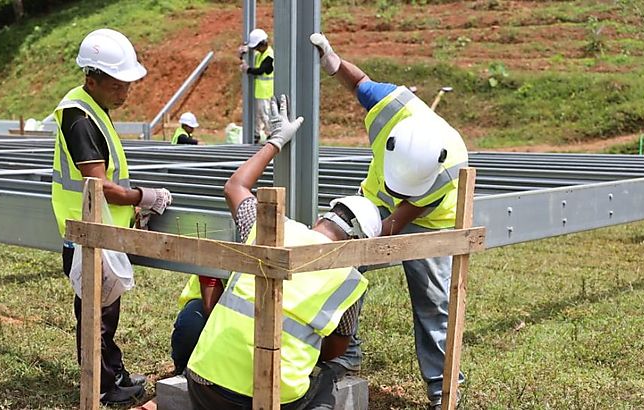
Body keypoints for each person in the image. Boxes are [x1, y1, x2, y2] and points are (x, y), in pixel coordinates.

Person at [185, 95, 383, 410]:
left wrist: (275, 141)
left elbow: (234, 187)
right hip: (268, 400)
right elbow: (334, 350)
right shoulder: (350, 280)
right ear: (357, 247)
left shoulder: (270, 229)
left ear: (322, 218)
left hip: (203, 384)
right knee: (327, 380)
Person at [310, 33, 469, 410]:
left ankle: (443, 391)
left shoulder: (448, 168)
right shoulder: (391, 108)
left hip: (431, 223)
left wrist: (360, 241)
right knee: (342, 270)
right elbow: (360, 83)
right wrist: (334, 63)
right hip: (372, 201)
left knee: (433, 302)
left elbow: (394, 224)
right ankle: (345, 353)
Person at [51, 28, 173, 406]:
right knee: (95, 316)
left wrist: (131, 205)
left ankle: (111, 372)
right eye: (119, 83)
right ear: (93, 78)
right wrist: (144, 196)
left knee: (105, 311)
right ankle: (102, 387)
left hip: (103, 232)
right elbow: (99, 185)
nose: (126, 91)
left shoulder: (93, 110)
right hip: (87, 235)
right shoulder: (79, 117)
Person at [238, 28, 274, 144]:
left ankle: (271, 135)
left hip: (266, 91)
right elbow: (251, 57)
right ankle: (256, 135)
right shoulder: (260, 54)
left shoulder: (269, 55)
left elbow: (260, 70)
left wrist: (247, 70)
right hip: (259, 91)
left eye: (257, 47)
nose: (256, 49)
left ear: (263, 44)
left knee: (265, 115)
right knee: (258, 116)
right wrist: (243, 53)